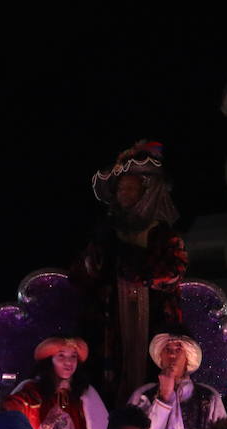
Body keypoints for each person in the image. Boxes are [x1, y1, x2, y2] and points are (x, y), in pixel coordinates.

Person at [73, 140, 188, 402]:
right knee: (109, 378)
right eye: (121, 189)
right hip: (111, 321)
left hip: (154, 319)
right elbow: (83, 273)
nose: (124, 194)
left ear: (144, 193)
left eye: (131, 188)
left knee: (153, 376)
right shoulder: (105, 233)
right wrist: (97, 260)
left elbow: (173, 270)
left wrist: (136, 267)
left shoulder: (163, 235)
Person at [4, 336, 109, 429]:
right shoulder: (32, 391)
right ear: (49, 359)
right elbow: (11, 412)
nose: (69, 362)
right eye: (61, 356)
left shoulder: (84, 395)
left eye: (73, 357)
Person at [127, 332, 226, 429]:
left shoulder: (208, 396)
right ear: (160, 358)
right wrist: (164, 397)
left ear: (188, 358)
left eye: (178, 349)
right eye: (167, 350)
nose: (172, 355)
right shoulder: (144, 394)